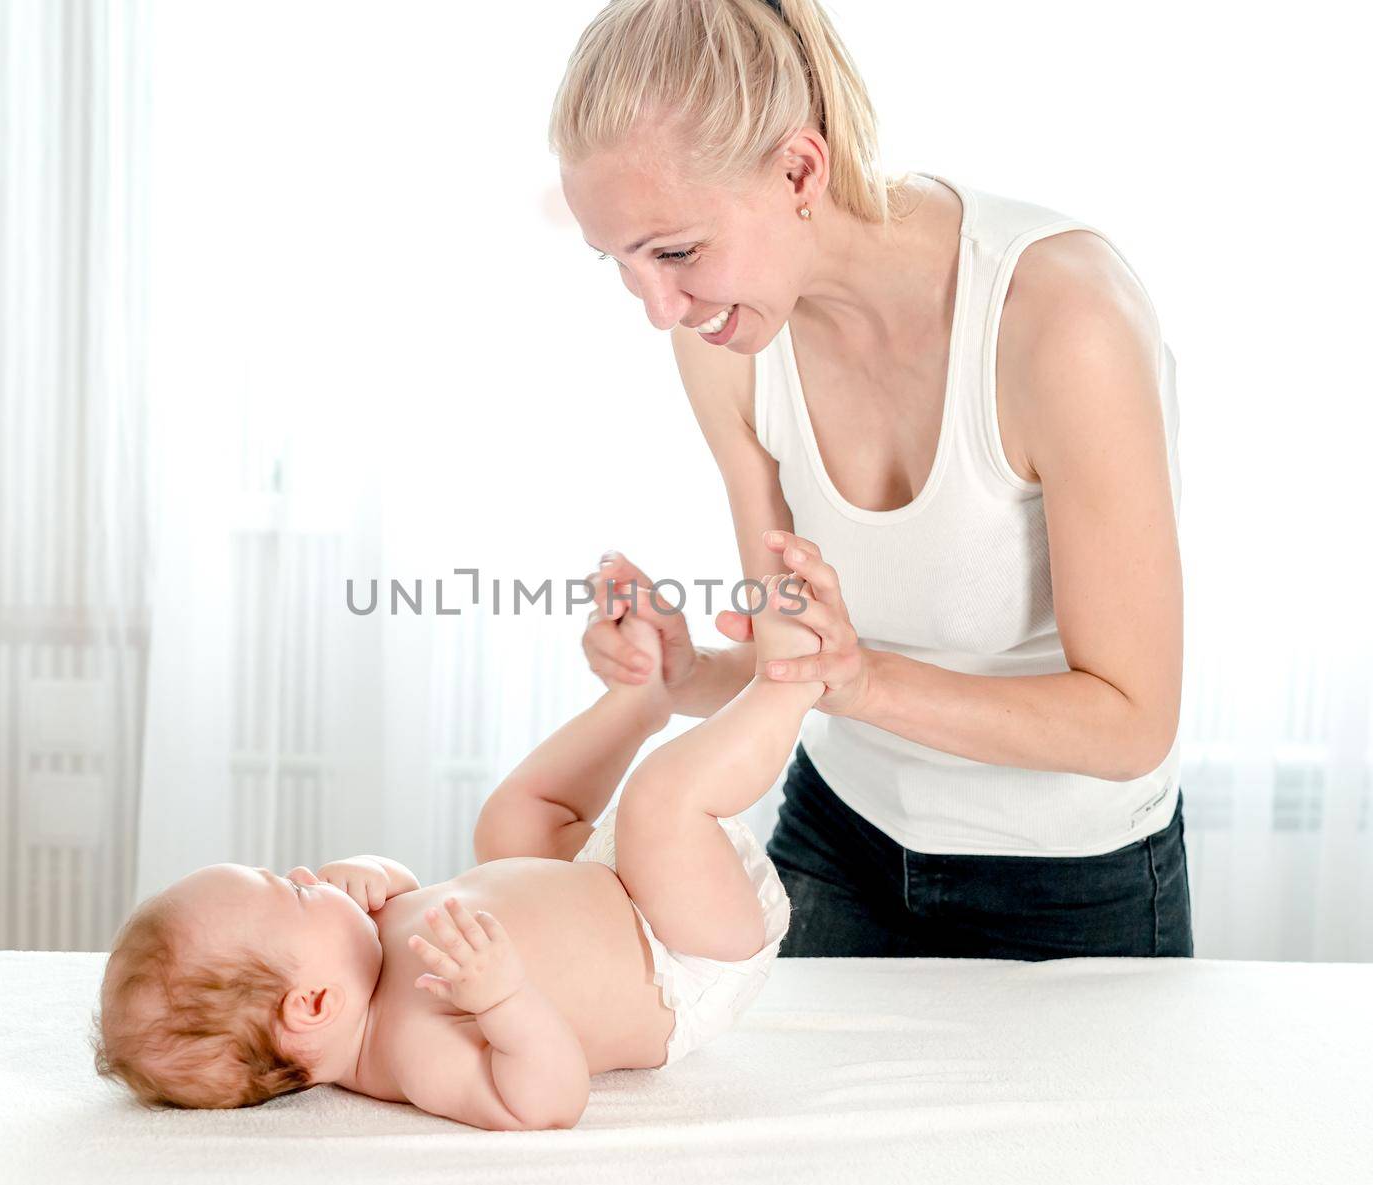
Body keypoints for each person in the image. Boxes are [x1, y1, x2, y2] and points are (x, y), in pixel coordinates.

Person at [550, 0, 1192, 958]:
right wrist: (687, 678)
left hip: (1073, 877)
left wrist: (863, 682)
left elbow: (1132, 722)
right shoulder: (726, 340)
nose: (659, 308)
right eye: (622, 263)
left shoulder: (1060, 320)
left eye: (677, 251)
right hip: (837, 839)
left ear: (800, 168)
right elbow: (797, 657)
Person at [91, 578, 822, 1128]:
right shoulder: (412, 1048)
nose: (311, 873)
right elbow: (545, 1100)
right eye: (293, 890)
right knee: (656, 802)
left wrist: (377, 876)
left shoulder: (362, 949)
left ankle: (641, 699)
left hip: (613, 880)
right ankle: (793, 677)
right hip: (686, 955)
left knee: (506, 826)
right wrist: (503, 999)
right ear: (315, 1004)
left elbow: (420, 888)